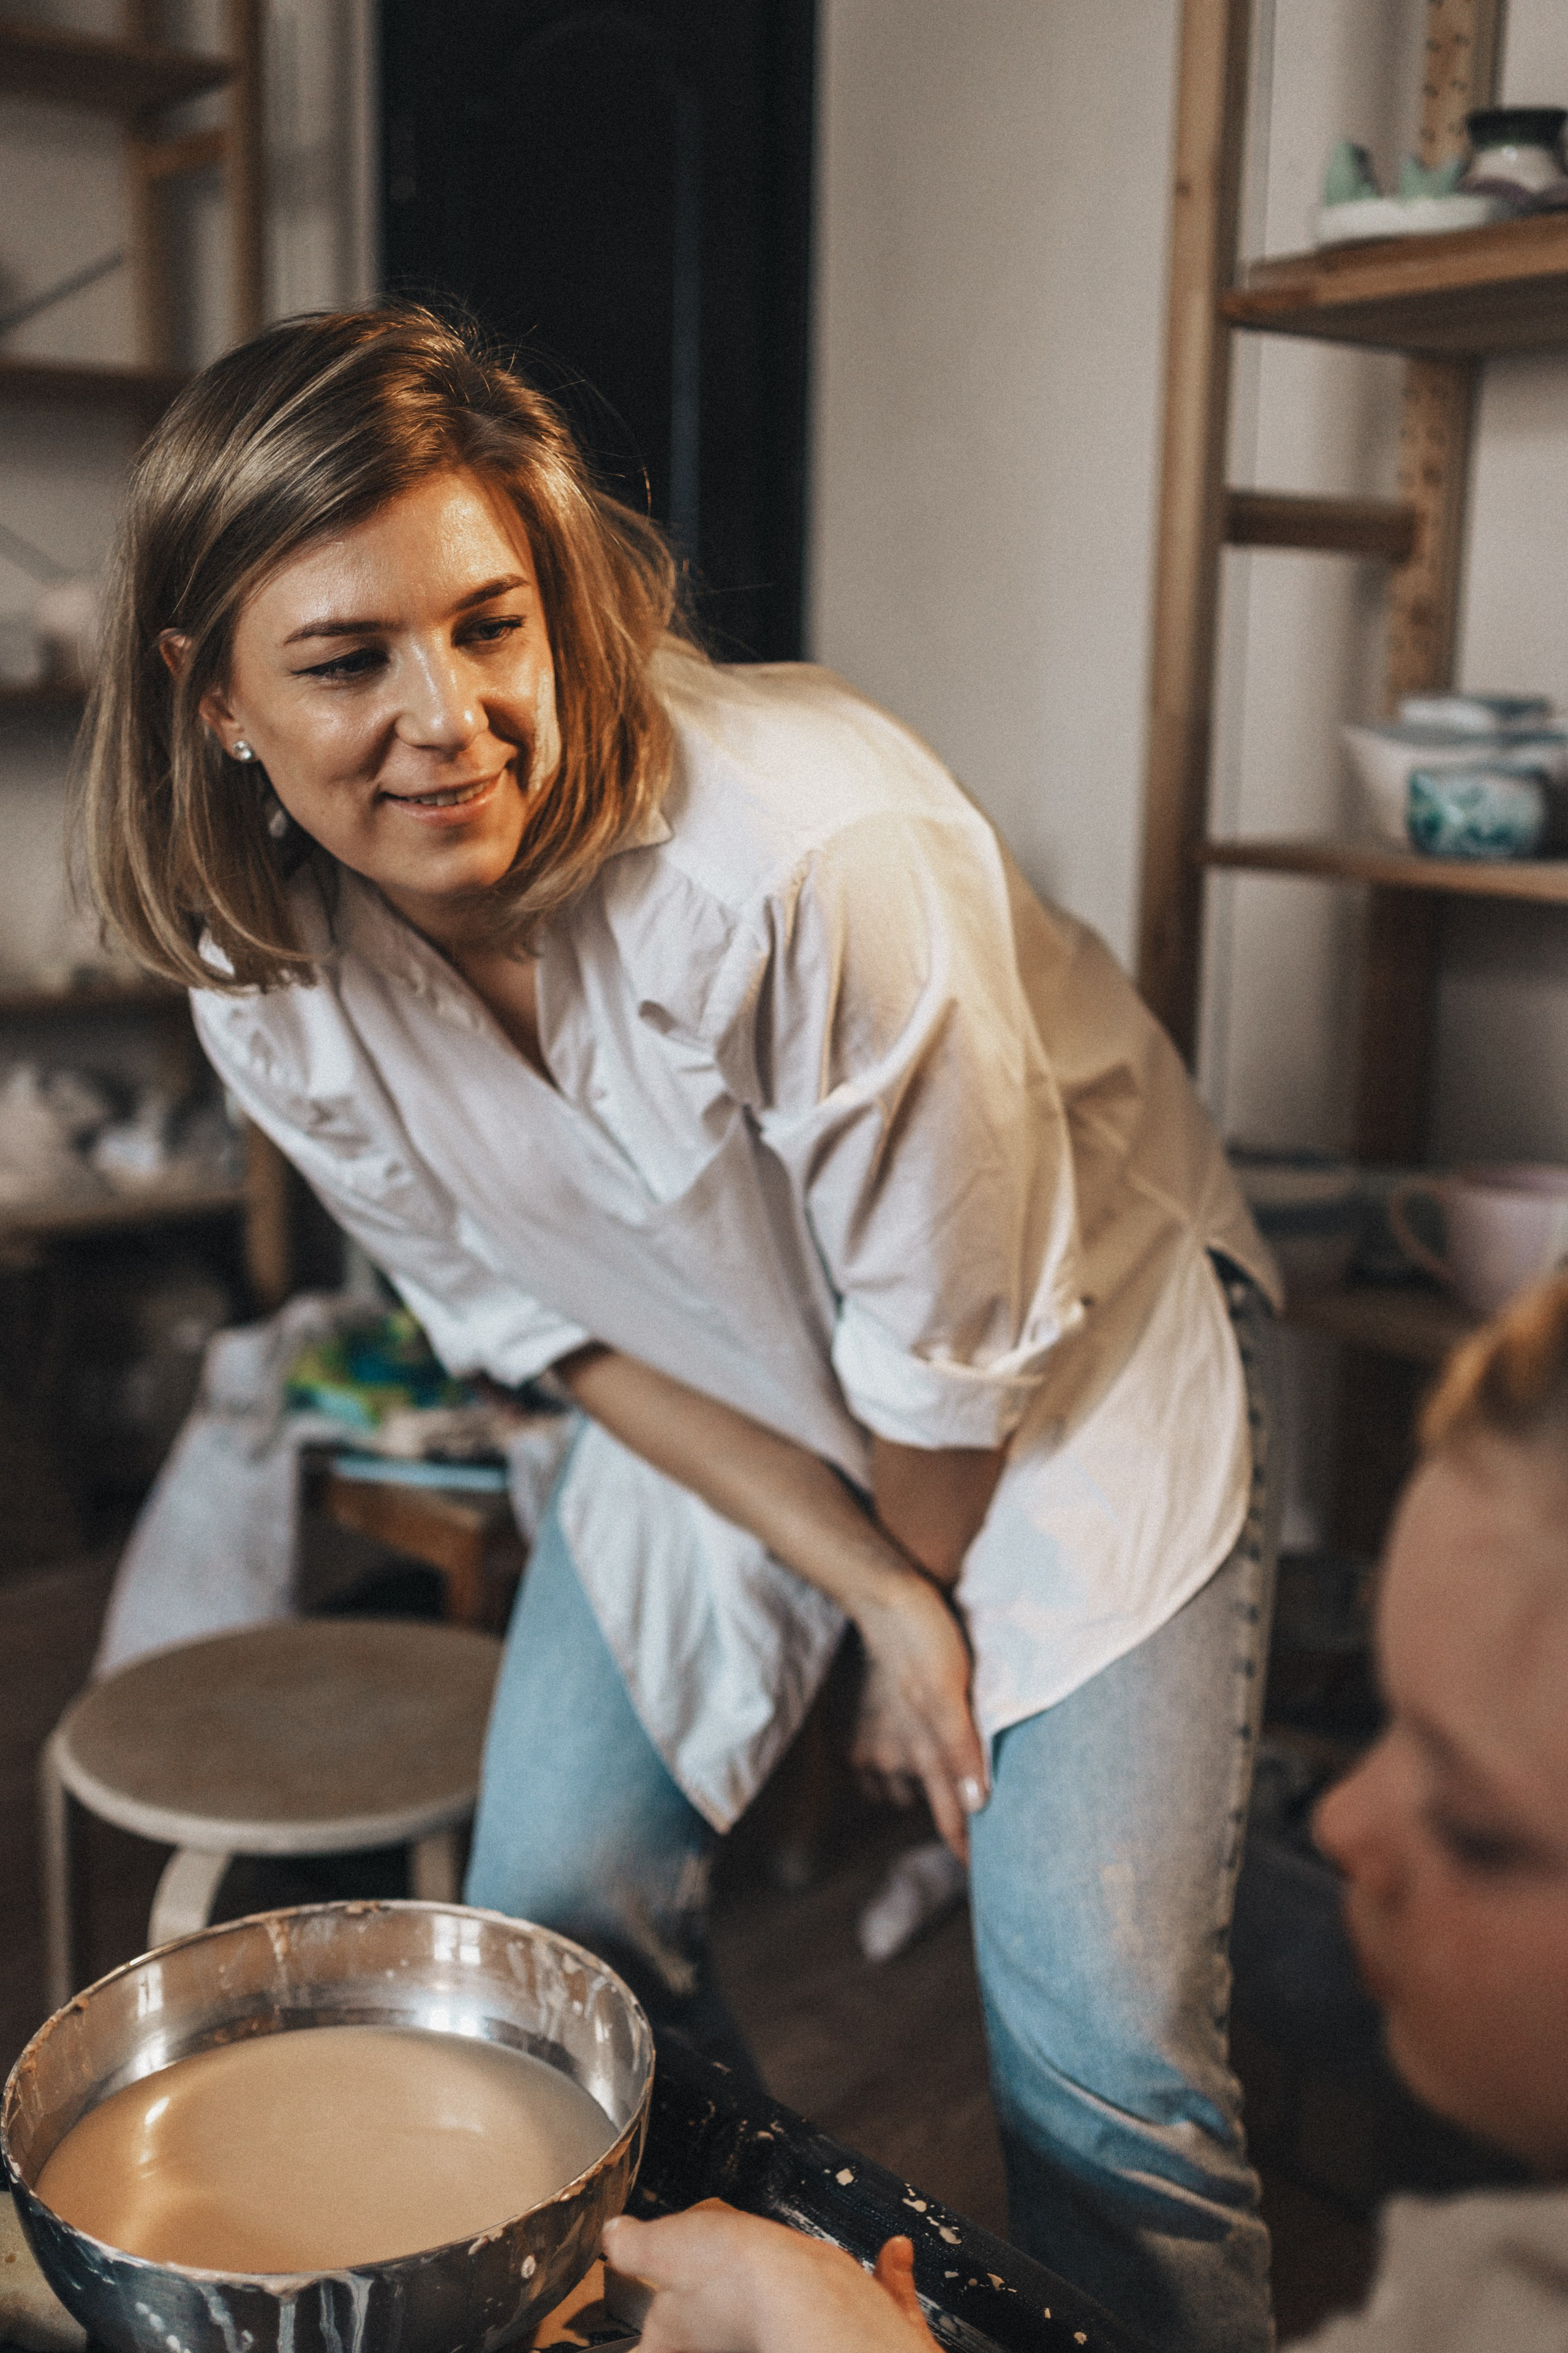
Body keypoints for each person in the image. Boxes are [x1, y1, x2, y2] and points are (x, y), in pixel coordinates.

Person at [85, 304, 1281, 2353]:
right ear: (211, 703)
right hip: (706, 1394)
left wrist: (930, 1618)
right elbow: (547, 1336)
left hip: (1063, 1372)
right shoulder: (267, 986)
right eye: (346, 659)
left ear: (563, 605)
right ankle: (775, 2306)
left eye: (489, 622)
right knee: (555, 1940)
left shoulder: (813, 853)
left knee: (1100, 2055)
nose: (446, 716)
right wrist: (877, 1608)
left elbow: (954, 1366)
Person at [605, 1271, 1568, 2353]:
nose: (1340, 1821)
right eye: (1390, 1723)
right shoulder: (1493, 2278)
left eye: (1479, 1825)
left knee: (1105, 2020)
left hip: (1070, 1382)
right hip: (763, 1379)